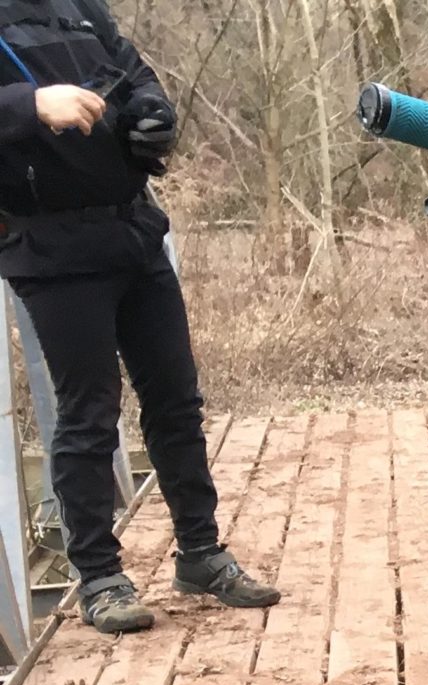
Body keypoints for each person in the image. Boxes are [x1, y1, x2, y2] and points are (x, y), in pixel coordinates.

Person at [0, 0, 278, 633]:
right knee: (89, 414)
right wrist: (31, 106)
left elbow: (131, 71)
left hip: (134, 232)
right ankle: (99, 576)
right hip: (51, 249)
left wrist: (153, 115)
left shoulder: (79, 9)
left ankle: (201, 554)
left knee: (177, 400)